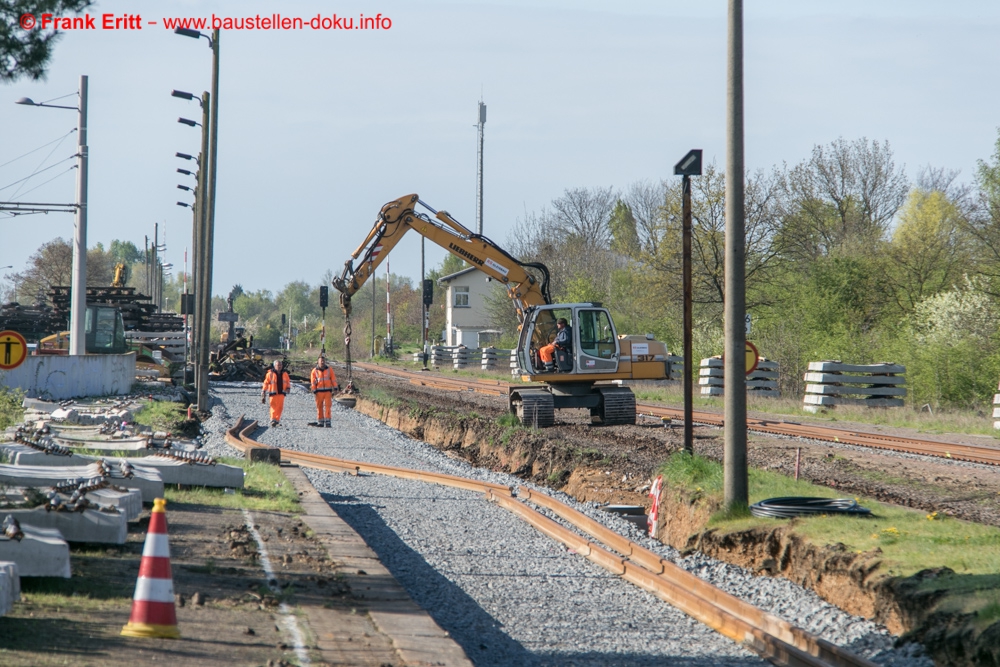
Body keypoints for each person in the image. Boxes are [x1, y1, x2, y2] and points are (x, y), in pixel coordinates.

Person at [310, 356, 339, 427]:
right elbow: (313, 382)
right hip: (318, 392)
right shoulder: (314, 371)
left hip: (327, 392)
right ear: (318, 362)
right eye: (321, 361)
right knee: (319, 406)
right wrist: (314, 390)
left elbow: (333, 379)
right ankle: (320, 422)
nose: (322, 362)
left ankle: (328, 422)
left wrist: (335, 388)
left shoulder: (329, 370)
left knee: (328, 406)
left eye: (323, 361)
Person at [261, 359, 291, 427]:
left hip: (282, 393)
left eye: (280, 365)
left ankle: (277, 420)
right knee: (273, 406)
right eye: (278, 365)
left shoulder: (285, 374)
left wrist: (288, 388)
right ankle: (273, 419)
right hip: (273, 393)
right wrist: (263, 391)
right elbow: (266, 383)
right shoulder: (270, 374)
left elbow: (288, 382)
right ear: (274, 366)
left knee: (280, 407)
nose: (279, 366)